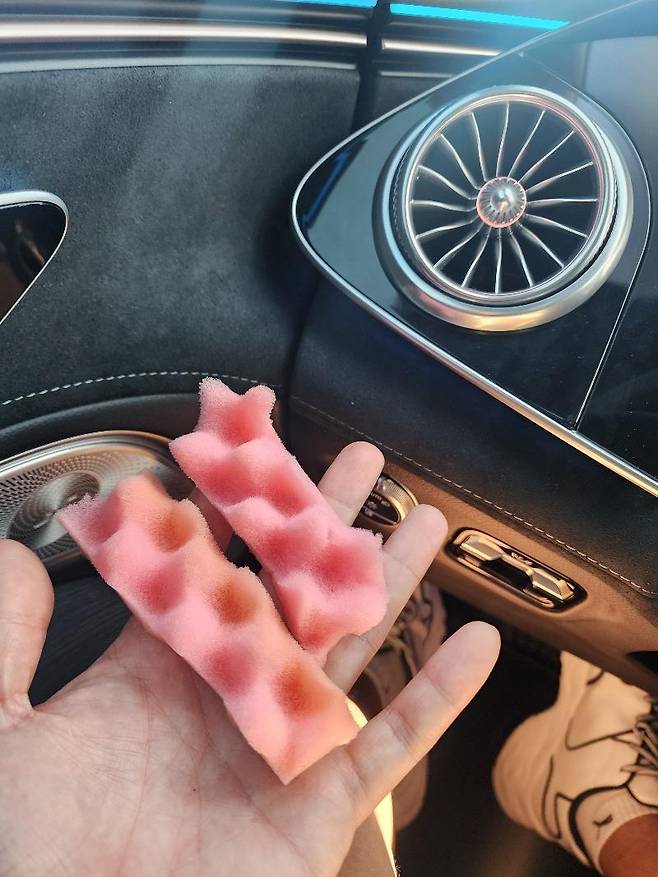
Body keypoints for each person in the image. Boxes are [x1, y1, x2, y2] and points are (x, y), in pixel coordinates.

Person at [0, 442, 500, 876]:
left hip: (304, 769)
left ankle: (383, 664)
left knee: (378, 768)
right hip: (312, 798)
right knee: (386, 783)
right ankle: (387, 663)